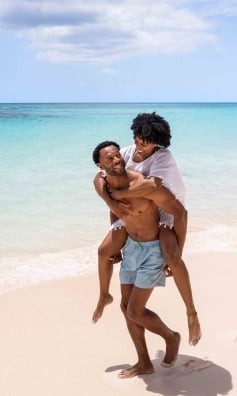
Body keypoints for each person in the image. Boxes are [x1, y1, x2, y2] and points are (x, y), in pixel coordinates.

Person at [92, 112, 201, 346]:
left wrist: (119, 194)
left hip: (168, 210)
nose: (140, 146)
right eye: (138, 140)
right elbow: (103, 176)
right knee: (105, 251)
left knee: (172, 256)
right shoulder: (129, 152)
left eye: (147, 143)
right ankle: (103, 295)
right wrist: (112, 202)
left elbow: (150, 186)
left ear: (158, 144)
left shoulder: (163, 158)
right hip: (142, 210)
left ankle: (191, 313)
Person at [93, 141, 183, 378]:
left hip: (153, 247)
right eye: (109, 159)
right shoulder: (107, 182)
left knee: (134, 311)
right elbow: (100, 185)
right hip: (131, 246)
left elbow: (178, 210)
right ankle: (144, 362)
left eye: (117, 157)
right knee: (126, 307)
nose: (117, 160)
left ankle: (171, 337)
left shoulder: (145, 179)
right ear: (101, 165)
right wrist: (113, 209)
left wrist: (176, 252)